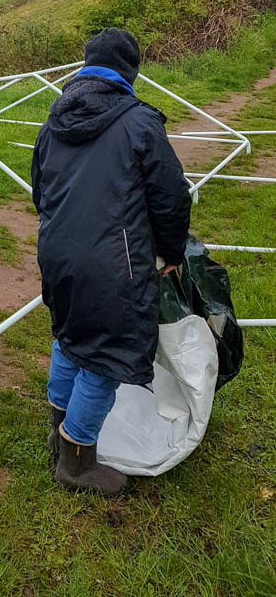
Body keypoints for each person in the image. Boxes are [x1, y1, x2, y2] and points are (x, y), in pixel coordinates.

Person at [30, 28, 191, 495]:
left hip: (56, 252)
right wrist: (171, 251)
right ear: (130, 72)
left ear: (85, 67)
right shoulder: (141, 122)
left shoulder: (53, 119)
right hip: (113, 263)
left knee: (69, 332)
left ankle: (56, 429)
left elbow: (40, 187)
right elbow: (170, 198)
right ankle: (76, 459)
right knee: (105, 353)